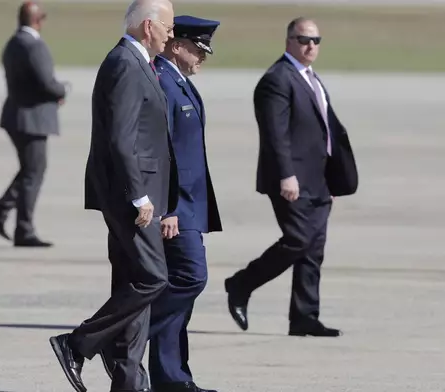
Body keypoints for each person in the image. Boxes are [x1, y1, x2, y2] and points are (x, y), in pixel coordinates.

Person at [48, 1, 177, 391]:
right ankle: (79, 342)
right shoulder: (124, 62)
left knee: (133, 282)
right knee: (154, 277)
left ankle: (128, 381)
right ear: (149, 26)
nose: (172, 34)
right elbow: (120, 139)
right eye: (168, 27)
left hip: (138, 191)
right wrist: (139, 196)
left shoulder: (136, 61)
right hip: (131, 195)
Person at [98, 15, 222, 392]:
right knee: (190, 278)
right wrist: (169, 208)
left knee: (178, 287)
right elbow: (159, 150)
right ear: (177, 45)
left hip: (189, 206)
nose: (203, 56)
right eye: (198, 49)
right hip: (175, 208)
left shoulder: (180, 82)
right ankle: (119, 341)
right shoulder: (162, 81)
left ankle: (172, 376)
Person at [224, 17, 358, 337]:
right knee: (298, 240)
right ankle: (242, 283)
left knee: (313, 249)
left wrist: (334, 177)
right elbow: (275, 134)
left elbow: (325, 130)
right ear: (288, 41)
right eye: (303, 40)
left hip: (320, 180)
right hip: (292, 180)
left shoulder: (311, 78)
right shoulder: (277, 80)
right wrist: (287, 176)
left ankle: (304, 317)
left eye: (316, 41)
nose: (311, 46)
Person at [0, 1, 70, 247]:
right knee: (33, 173)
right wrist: (63, 90)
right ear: (38, 20)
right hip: (31, 119)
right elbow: (46, 82)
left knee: (30, 171)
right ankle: (23, 229)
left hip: (17, 116)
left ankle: (0, 212)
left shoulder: (13, 43)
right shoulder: (34, 45)